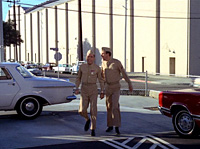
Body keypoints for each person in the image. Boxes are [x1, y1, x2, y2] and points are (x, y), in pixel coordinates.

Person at [101, 47, 133, 135]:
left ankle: (117, 126)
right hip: (108, 87)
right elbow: (102, 77)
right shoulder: (103, 63)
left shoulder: (116, 62)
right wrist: (102, 90)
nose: (101, 55)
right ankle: (110, 125)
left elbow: (124, 73)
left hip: (116, 87)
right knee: (108, 106)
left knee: (115, 106)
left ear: (108, 54)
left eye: (103, 54)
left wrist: (129, 83)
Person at [75, 49, 104, 136]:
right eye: (88, 56)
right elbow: (78, 78)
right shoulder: (82, 67)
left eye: (91, 57)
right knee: (81, 110)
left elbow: (101, 80)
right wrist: (76, 87)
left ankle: (93, 128)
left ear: (94, 58)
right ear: (86, 57)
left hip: (93, 89)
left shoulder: (97, 68)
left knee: (93, 109)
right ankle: (87, 119)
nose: (89, 58)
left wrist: (102, 91)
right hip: (84, 89)